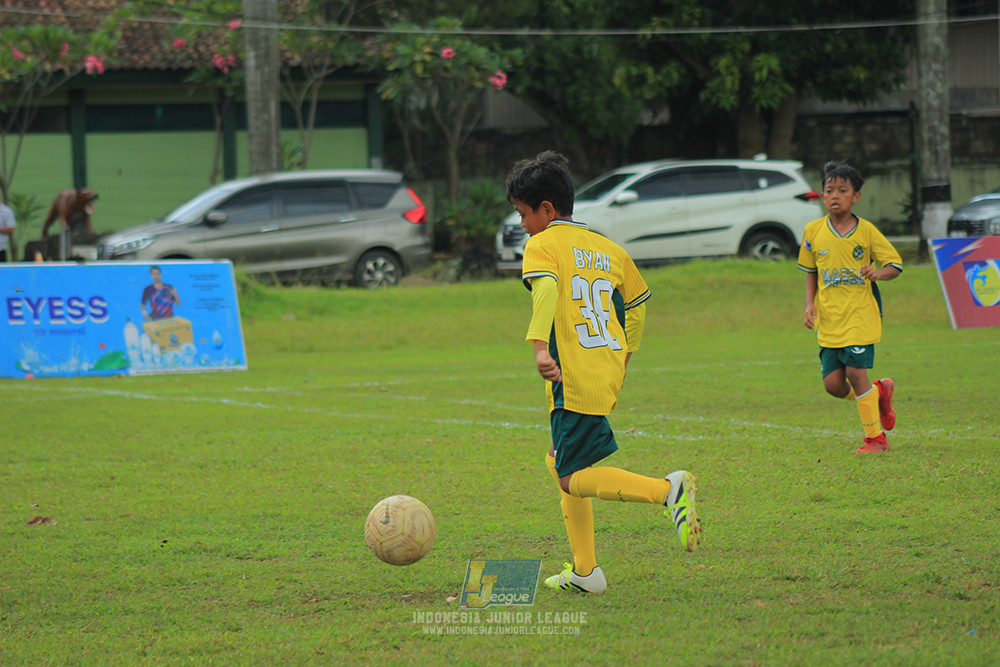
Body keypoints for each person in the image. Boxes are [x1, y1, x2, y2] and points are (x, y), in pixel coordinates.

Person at [506, 151, 701, 595]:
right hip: (603, 369)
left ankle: (666, 491)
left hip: (568, 374)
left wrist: (539, 345)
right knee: (562, 459)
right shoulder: (610, 249)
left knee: (569, 476)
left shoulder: (543, 245)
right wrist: (624, 356)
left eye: (522, 214)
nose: (521, 225)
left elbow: (548, 290)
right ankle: (586, 573)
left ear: (547, 210)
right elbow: (637, 304)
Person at [798, 160, 903, 453]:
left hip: (860, 315)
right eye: (829, 190)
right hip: (830, 318)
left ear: (855, 196)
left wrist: (877, 273)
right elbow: (811, 271)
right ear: (821, 195)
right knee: (834, 386)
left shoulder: (866, 232)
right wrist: (810, 303)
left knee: (857, 374)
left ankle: (876, 439)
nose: (834, 196)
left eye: (842, 190)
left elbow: (894, 264)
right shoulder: (813, 231)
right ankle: (879, 391)